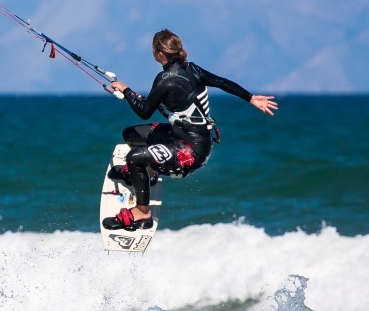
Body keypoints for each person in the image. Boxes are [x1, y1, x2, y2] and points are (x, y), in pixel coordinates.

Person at [103, 29, 277, 231]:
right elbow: (222, 82)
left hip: (191, 152)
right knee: (131, 135)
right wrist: (250, 97)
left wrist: (125, 90)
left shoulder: (164, 79)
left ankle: (143, 213)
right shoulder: (192, 68)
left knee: (134, 157)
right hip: (183, 136)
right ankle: (148, 174)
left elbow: (144, 111)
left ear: (159, 54)